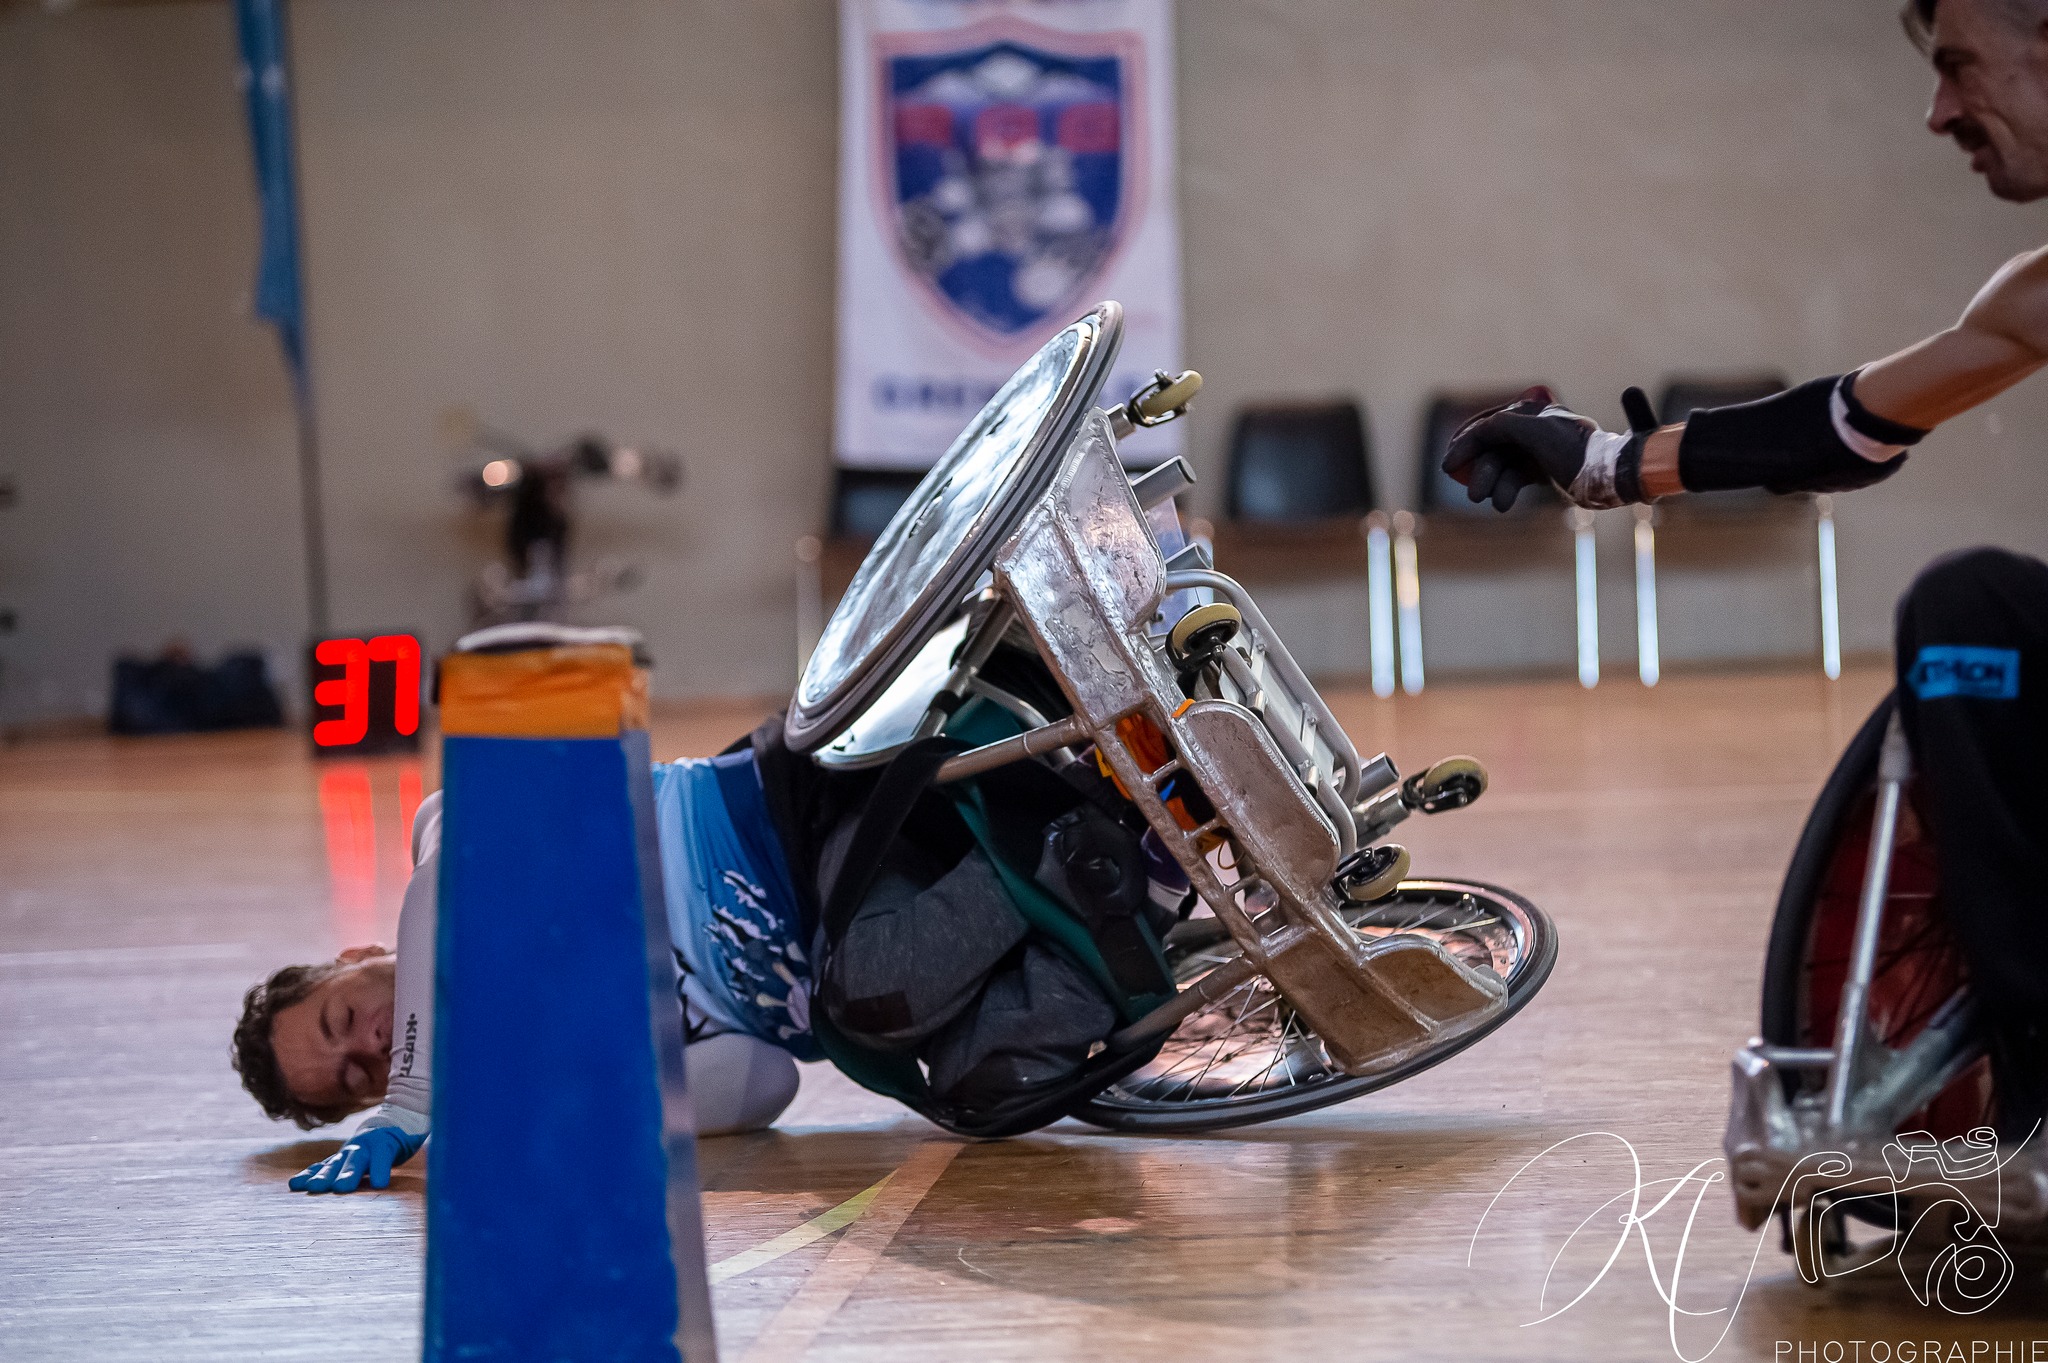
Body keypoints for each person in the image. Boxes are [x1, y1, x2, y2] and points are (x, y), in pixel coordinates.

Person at [1440, 0, 2048, 1138]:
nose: (1936, 112)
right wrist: (1605, 463)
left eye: (1959, 68)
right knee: (1966, 609)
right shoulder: (2032, 294)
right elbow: (1846, 426)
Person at [232, 744, 815, 1194]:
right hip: (826, 968)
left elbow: (446, 875)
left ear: (355, 956)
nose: (371, 1046)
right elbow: (769, 1079)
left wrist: (409, 1095)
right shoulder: (547, 1080)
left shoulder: (444, 826)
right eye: (358, 1079)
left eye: (344, 1018)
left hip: (774, 813)